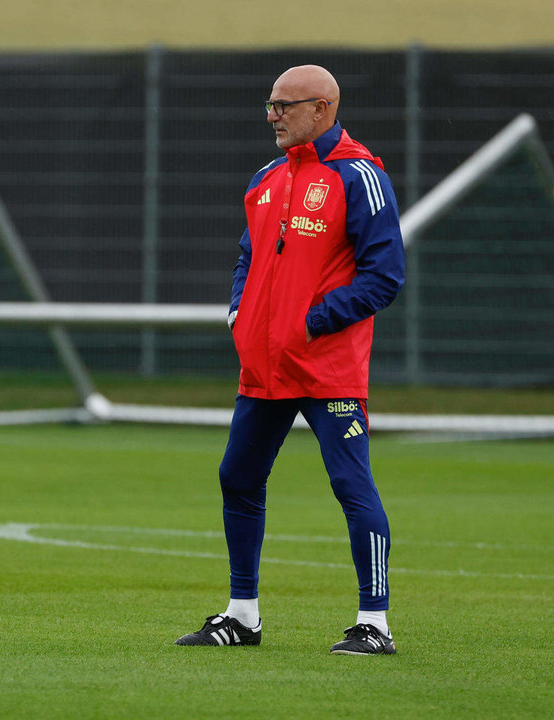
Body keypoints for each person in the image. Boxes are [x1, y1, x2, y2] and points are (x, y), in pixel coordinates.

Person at [175, 65, 406, 655]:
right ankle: (242, 616)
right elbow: (247, 258)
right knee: (238, 478)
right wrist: (238, 311)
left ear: (322, 109)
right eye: (270, 106)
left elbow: (385, 277)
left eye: (284, 106)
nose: (273, 116)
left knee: (351, 484)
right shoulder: (267, 177)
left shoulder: (361, 176)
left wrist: (311, 322)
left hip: (327, 368)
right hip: (265, 369)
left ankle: (373, 624)